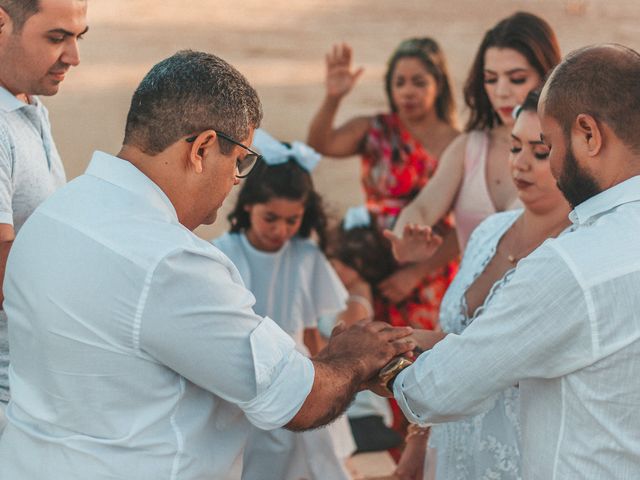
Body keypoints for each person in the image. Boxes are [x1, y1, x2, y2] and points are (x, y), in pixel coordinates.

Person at [0, 50, 415, 479]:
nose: (235, 185)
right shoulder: (170, 262)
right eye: (240, 163)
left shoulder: (56, 212)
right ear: (202, 149)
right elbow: (297, 401)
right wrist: (352, 358)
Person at [382, 44, 640, 479]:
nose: (551, 166)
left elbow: (439, 390)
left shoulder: (571, 265)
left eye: (548, 147)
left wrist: (374, 363)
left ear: (589, 135)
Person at [392, 89, 571, 480]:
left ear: (574, 156)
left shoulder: (572, 254)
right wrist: (417, 443)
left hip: (520, 457)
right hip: (453, 448)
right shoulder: (489, 231)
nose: (520, 164)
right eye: (514, 147)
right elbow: (457, 336)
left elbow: (508, 354)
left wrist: (405, 340)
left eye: (540, 153)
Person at [213, 129, 355, 480]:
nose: (280, 230)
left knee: (312, 461)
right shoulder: (223, 253)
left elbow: (309, 330)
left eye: (292, 220)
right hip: (247, 374)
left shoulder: (305, 254)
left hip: (300, 372)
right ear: (249, 205)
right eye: (270, 218)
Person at [307, 37, 459, 331]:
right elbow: (320, 143)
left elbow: (464, 225)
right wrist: (333, 98)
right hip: (374, 263)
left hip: (431, 272)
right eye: (399, 82)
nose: (408, 91)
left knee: (420, 356)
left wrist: (415, 274)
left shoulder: (458, 144)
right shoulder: (376, 129)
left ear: (438, 84)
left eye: (418, 82)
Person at [392, 12, 561, 255]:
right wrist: (404, 238)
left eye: (517, 79)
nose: (501, 91)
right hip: (472, 293)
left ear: (547, 74)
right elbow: (423, 208)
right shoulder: (469, 147)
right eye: (491, 79)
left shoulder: (569, 150)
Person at [0, 0, 87, 430]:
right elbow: (5, 277)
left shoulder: (28, 103)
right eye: (57, 38)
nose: (73, 57)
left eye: (77, 37)